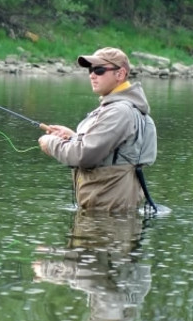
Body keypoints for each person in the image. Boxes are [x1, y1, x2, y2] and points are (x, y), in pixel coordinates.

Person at [38, 47, 157, 212]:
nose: (92, 75)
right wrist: (73, 137)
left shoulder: (119, 112)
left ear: (120, 74)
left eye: (99, 70)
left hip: (107, 215)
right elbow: (108, 151)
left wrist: (50, 143)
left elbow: (84, 156)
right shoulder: (119, 109)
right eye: (90, 70)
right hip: (106, 211)